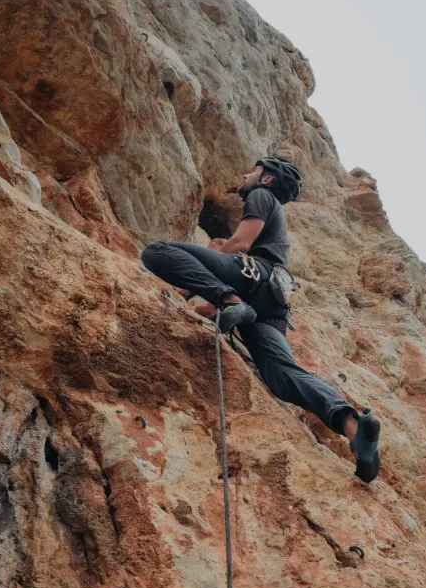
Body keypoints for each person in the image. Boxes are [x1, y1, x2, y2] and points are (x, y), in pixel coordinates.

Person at [141, 157, 381, 482]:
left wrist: (211, 277)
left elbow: (240, 244)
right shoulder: (276, 218)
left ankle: (229, 297)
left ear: (266, 180)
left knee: (157, 251)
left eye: (252, 171)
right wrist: (203, 302)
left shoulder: (260, 196)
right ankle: (353, 426)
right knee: (281, 374)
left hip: (255, 276)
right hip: (273, 303)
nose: (244, 175)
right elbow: (219, 313)